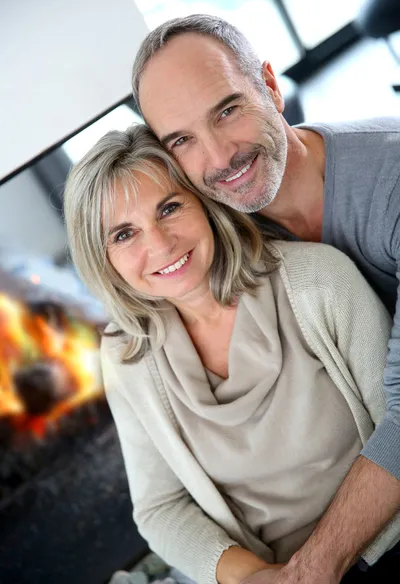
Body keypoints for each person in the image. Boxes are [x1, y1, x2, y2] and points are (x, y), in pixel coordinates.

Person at [64, 125, 399, 584]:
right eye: (124, 234)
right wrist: (253, 577)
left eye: (169, 207)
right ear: (101, 259)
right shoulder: (127, 356)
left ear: (202, 203)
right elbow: (160, 508)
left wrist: (316, 567)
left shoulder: (319, 281)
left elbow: (398, 433)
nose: (160, 244)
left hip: (381, 547)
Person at [130, 14, 400, 582]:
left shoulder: (391, 180)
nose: (220, 156)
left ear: (271, 86)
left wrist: (313, 568)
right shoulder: (222, 233)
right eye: (182, 140)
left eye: (227, 110)